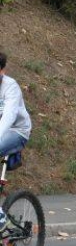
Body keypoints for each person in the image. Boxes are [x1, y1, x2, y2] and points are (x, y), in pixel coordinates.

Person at [0, 51, 32, 233]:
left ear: (2, 71)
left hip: (17, 131)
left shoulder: (10, 87)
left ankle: (1, 218)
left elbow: (9, 117)